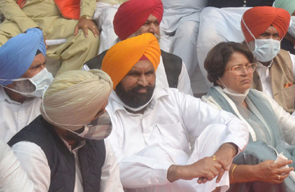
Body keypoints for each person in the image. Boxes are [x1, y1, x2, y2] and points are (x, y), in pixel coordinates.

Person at [102, 34, 249, 191]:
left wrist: (227, 149)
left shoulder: (173, 99)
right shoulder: (103, 113)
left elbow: (234, 123)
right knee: (155, 154)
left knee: (219, 131)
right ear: (117, 77)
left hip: (194, 184)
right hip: (147, 186)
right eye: (134, 74)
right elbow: (115, 166)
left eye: (149, 73)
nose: (144, 82)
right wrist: (178, 171)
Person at [201, 42, 295, 191]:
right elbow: (213, 162)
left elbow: (291, 128)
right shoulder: (209, 108)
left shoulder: (259, 97)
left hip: (280, 167)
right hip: (248, 179)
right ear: (217, 76)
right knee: (257, 152)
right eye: (237, 68)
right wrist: (255, 170)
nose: (246, 72)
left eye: (249, 66)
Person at [10, 69, 123, 191]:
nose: (104, 116)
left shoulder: (98, 142)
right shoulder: (29, 151)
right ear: (71, 118)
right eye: (99, 112)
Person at [84, 0, 192, 96]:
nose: (153, 29)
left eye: (156, 24)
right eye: (146, 23)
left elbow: (187, 105)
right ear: (128, 29)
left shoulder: (175, 65)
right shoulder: (95, 68)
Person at [0, 28, 51, 142]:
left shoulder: (52, 102)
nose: (44, 72)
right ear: (12, 77)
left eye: (44, 64)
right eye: (36, 67)